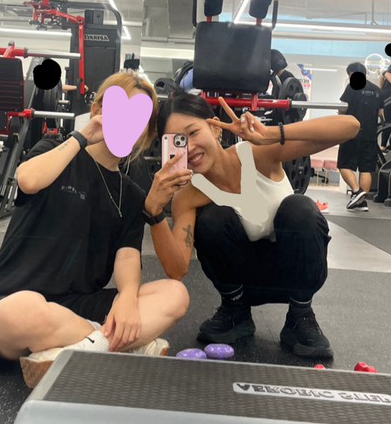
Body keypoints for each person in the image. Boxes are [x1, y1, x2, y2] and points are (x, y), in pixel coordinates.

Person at [0, 71, 189, 389]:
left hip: (79, 304)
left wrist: (126, 299)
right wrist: (83, 135)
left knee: (175, 295)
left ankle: (75, 348)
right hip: (10, 300)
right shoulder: (56, 149)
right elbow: (28, 180)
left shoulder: (132, 194)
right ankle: (120, 346)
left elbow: (127, 256)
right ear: (99, 109)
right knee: (25, 310)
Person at [143, 90, 360, 359]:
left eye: (193, 133)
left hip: (295, 276)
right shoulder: (187, 196)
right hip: (244, 285)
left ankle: (300, 315)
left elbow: (350, 126)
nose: (189, 148)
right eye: (178, 141)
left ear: (215, 128)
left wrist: (270, 133)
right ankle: (236, 311)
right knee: (212, 220)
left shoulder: (257, 153)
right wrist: (154, 212)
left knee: (300, 208)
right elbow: (177, 270)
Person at [337, 62, 385, 212]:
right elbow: (381, 114)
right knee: (366, 169)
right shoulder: (377, 90)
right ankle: (362, 203)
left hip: (351, 133)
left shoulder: (351, 87)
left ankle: (357, 192)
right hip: (370, 135)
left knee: (343, 165)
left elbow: (342, 109)